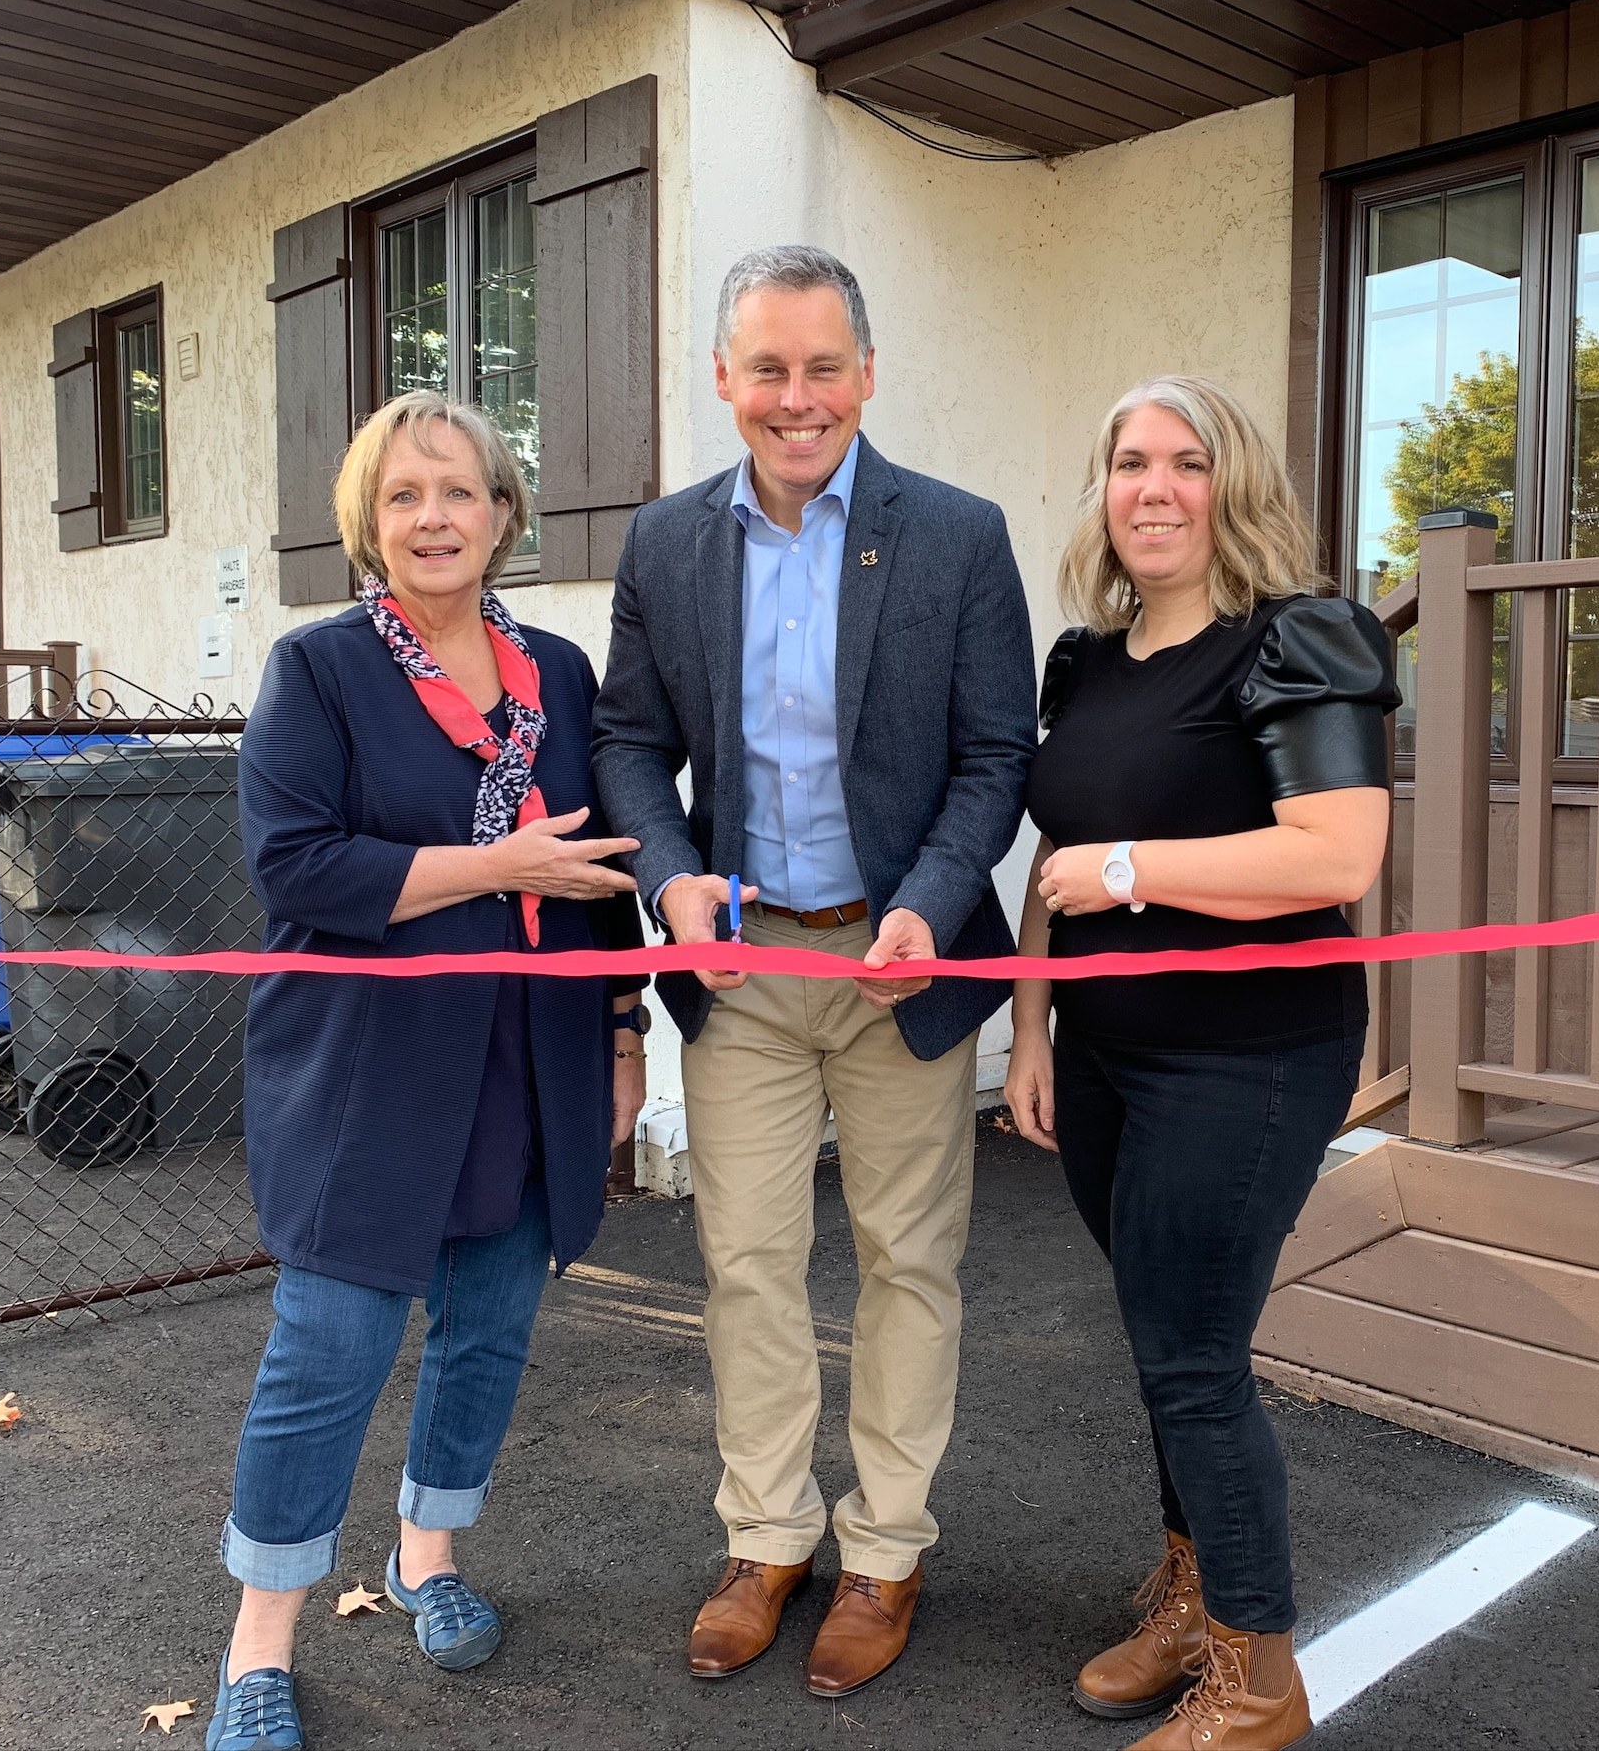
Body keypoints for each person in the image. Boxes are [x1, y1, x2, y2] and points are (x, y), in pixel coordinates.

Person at [592, 245, 1034, 1698]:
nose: (797, 398)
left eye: (823, 366)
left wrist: (927, 901)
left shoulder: (959, 537)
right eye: (767, 368)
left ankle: (886, 1552)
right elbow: (626, 749)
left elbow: (995, 755)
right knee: (748, 1270)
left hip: (904, 964)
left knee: (912, 1264)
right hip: (743, 974)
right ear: (725, 378)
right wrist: (668, 874)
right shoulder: (664, 546)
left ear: (866, 374)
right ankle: (767, 1538)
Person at [205, 392, 649, 1750]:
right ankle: (258, 1648)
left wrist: (625, 1027)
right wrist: (491, 866)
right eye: (404, 496)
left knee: (489, 1333)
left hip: (531, 1060)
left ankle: (426, 1562)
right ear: (369, 522)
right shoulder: (321, 668)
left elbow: (599, 876)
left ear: (504, 514)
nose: (434, 518)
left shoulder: (562, 676)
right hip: (366, 1071)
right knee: (328, 1351)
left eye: (459, 492)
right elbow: (294, 865)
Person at [1004, 376, 1396, 1750]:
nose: (1154, 488)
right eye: (1129, 462)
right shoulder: (1087, 664)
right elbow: (1049, 871)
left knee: (1193, 1356)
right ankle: (1189, 1598)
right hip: (1107, 1055)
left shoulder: (1297, 640)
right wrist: (1035, 1028)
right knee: (1166, 1337)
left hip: (1250, 1057)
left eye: (1186, 462)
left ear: (1235, 487)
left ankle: (1258, 1679)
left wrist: (1134, 868)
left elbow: (1338, 855)